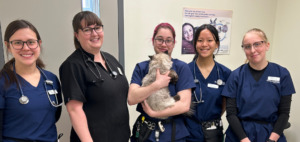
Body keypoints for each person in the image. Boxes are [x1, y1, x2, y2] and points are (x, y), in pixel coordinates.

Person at [59, 11, 130, 142]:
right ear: (77, 35)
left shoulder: (111, 60)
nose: (95, 33)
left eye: (97, 28)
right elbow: (74, 110)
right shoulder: (72, 65)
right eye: (87, 29)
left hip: (120, 136)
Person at [222, 28, 295, 142]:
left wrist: (272, 140)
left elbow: (284, 113)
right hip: (240, 135)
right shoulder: (236, 76)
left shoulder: (282, 74)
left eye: (257, 44)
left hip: (271, 134)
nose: (252, 50)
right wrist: (244, 139)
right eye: (247, 46)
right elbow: (231, 113)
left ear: (267, 45)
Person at [128, 23, 195, 142]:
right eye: (160, 39)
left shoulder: (181, 68)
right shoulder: (142, 67)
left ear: (174, 43)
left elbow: (184, 105)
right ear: (153, 40)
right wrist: (156, 85)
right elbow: (132, 99)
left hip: (174, 132)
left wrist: (154, 113)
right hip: (146, 132)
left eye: (168, 40)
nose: (164, 44)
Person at [0, 19, 62, 141]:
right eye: (18, 43)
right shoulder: (2, 82)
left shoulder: (51, 79)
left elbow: (54, 116)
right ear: (8, 46)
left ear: (39, 43)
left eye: (31, 42)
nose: (26, 48)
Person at [184, 24, 231, 142]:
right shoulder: (185, 71)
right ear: (195, 43)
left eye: (209, 40)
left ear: (217, 44)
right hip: (188, 131)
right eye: (200, 40)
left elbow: (225, 103)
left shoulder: (225, 73)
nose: (204, 44)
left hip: (214, 132)